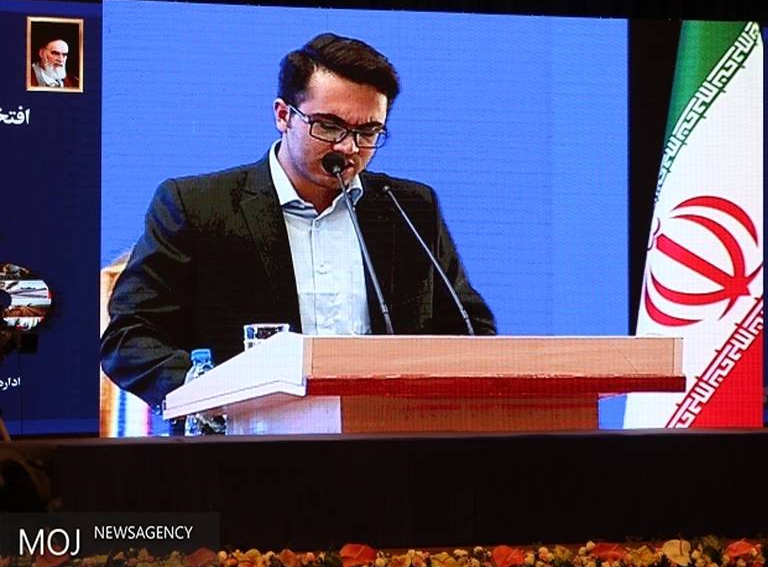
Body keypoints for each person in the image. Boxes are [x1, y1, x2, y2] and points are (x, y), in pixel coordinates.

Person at [100, 33, 497, 411]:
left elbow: (471, 328)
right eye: (328, 126)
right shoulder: (199, 207)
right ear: (283, 116)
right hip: (249, 444)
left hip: (388, 439)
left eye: (368, 131)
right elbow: (130, 337)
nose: (348, 147)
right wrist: (213, 397)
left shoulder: (409, 208)